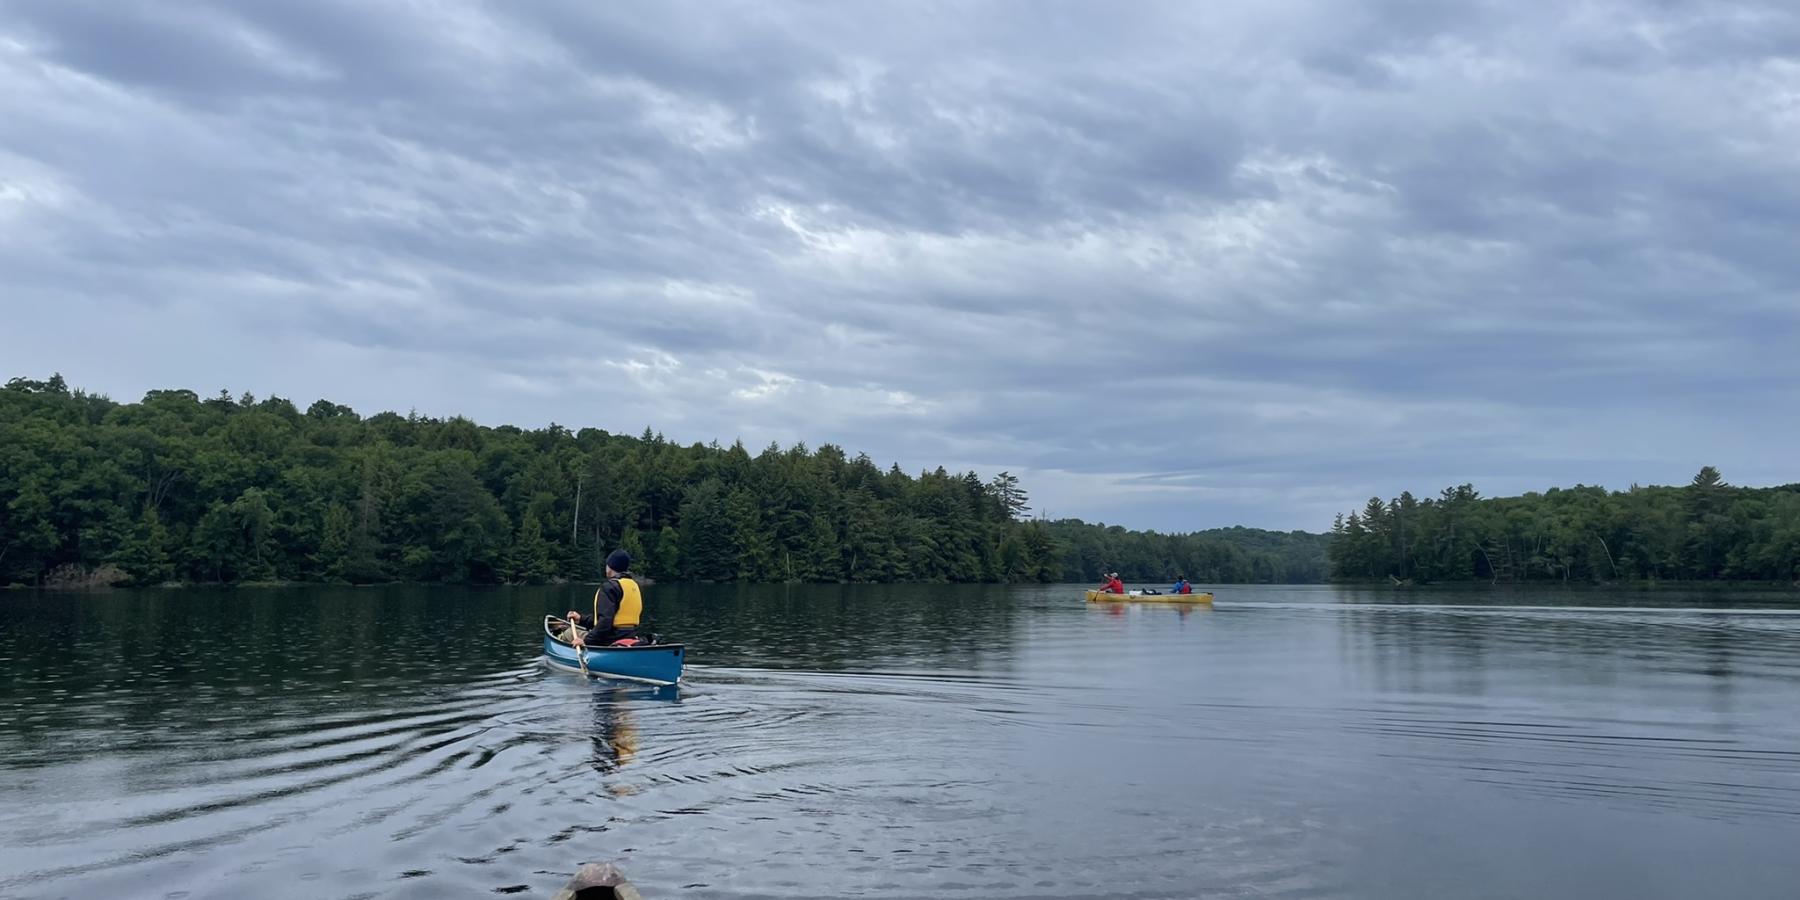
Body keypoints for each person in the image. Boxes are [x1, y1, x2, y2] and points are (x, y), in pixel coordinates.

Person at [563, 549, 644, 648]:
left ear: (610, 567)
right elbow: (611, 619)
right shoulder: (633, 586)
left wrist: (586, 641)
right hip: (630, 637)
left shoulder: (608, 587)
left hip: (608, 640)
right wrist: (581, 619)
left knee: (568, 632)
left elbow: (605, 622)